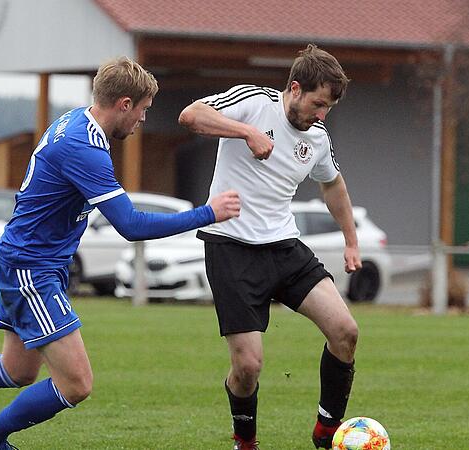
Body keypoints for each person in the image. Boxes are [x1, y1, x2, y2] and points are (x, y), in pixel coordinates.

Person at [0, 57, 241, 450]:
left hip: (28, 261)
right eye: (142, 110)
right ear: (123, 103)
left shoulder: (76, 122)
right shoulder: (83, 147)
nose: (142, 120)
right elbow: (131, 225)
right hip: (30, 268)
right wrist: (208, 213)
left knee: (16, 370)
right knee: (77, 383)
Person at [178, 44, 360, 450]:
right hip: (231, 247)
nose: (321, 115)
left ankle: (327, 433)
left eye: (328, 108)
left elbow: (332, 184)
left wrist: (350, 240)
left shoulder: (317, 138)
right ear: (294, 88)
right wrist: (247, 132)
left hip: (283, 247)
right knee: (247, 366)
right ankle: (246, 441)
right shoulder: (254, 103)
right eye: (318, 104)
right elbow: (190, 115)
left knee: (346, 331)